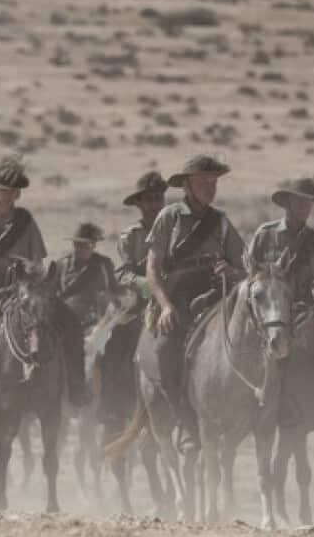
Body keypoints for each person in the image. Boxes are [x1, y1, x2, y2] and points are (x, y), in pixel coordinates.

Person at [0, 156, 87, 418]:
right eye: (6, 189)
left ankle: (76, 387)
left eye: (15, 190)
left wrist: (26, 274)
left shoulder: (26, 222)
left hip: (23, 290)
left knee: (70, 322)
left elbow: (37, 262)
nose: (11, 194)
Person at [146, 155, 246, 443]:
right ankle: (185, 417)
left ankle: (253, 409)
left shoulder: (222, 221)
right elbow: (152, 268)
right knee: (165, 350)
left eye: (214, 182)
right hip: (179, 294)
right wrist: (165, 306)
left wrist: (232, 270)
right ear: (187, 185)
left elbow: (245, 266)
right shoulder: (170, 217)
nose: (211, 187)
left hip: (217, 293)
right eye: (204, 182)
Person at [246, 177, 314, 315]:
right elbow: (249, 272)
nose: (306, 207)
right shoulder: (265, 234)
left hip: (305, 311)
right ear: (287, 203)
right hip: (270, 310)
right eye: (300, 201)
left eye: (309, 202)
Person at [115, 170, 168, 299]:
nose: (155, 204)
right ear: (138, 203)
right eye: (149, 199)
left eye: (158, 198)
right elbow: (122, 274)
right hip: (143, 299)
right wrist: (149, 284)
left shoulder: (176, 230)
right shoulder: (129, 237)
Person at [55, 222, 116, 329]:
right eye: (78, 244)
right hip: (66, 321)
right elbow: (50, 293)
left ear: (94, 246)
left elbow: (115, 290)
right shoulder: (61, 266)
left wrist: (109, 296)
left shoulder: (103, 265)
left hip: (97, 322)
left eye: (86, 245)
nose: (81, 249)